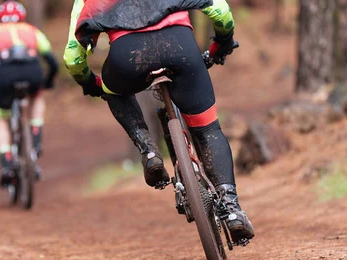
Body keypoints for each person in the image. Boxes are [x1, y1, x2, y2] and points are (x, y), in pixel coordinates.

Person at [63, 0, 254, 241]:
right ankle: (231, 208)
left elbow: (72, 57)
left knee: (112, 90)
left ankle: (149, 150)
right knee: (208, 130)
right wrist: (221, 44)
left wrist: (90, 83)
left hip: (129, 58)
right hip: (180, 48)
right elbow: (221, 12)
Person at [0, 1, 58, 187]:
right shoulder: (32, 30)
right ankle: (35, 139)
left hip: (5, 75)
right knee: (37, 98)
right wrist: (48, 80)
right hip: (32, 70)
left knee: (1, 117)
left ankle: (7, 161)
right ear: (22, 16)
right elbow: (52, 61)